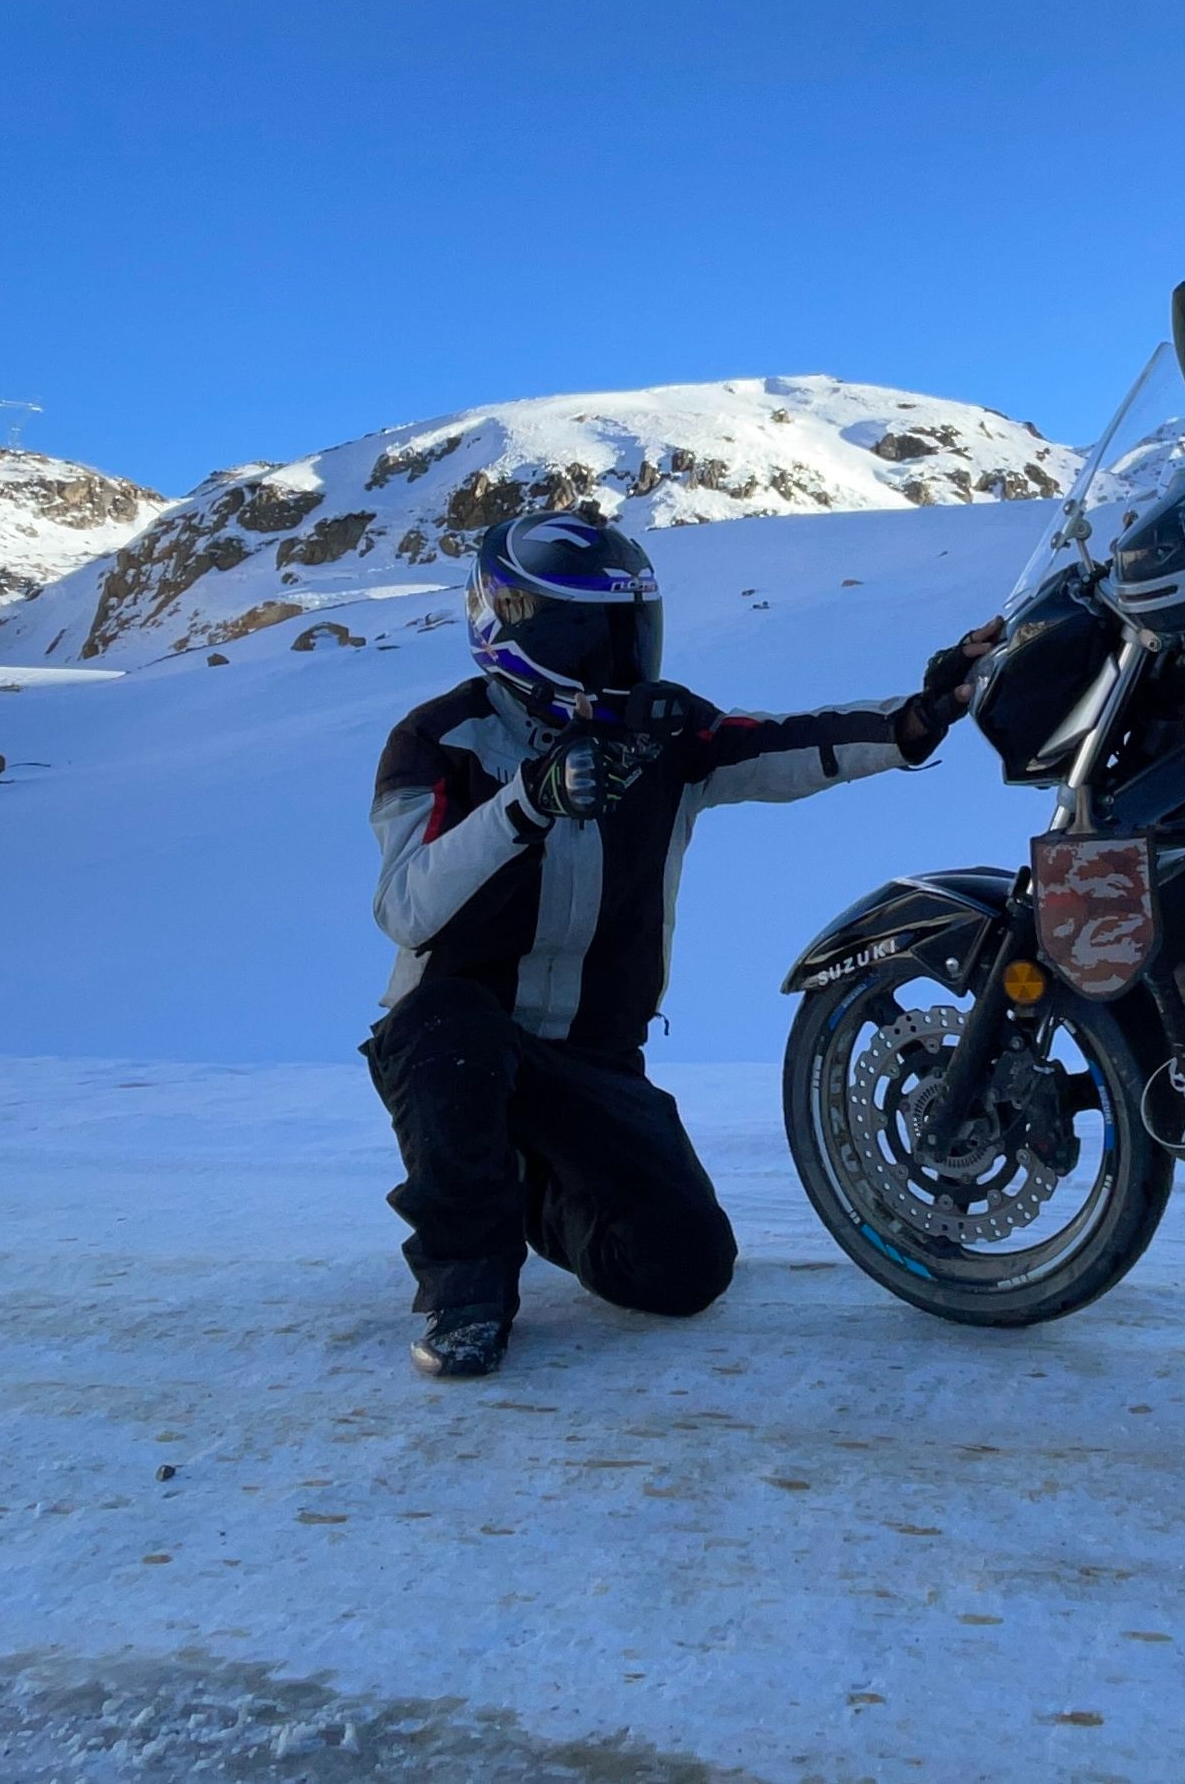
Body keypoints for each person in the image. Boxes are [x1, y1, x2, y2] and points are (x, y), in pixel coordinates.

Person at [365, 508, 1002, 1379]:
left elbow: (788, 745)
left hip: (594, 1050)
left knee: (683, 1271)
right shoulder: (440, 740)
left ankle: (522, 1196)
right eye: (584, 629)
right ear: (512, 627)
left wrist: (922, 714)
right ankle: (465, 1291)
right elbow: (407, 906)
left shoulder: (661, 733)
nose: (614, 654)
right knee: (448, 1025)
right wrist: (529, 801)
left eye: (626, 629)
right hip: (456, 1037)